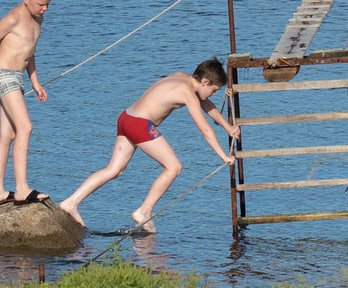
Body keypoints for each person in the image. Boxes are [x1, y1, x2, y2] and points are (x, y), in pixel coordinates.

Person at [58, 59, 238, 236]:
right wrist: (223, 155)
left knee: (114, 169)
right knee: (174, 167)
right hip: (139, 124)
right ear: (205, 82)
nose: (214, 94)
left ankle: (71, 202)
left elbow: (205, 103)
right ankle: (144, 211)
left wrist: (227, 127)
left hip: (126, 118)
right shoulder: (187, 92)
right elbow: (205, 129)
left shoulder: (182, 77)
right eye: (214, 90)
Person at [0, 0, 54, 207]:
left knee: (7, 134)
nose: (45, 9)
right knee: (25, 127)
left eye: (48, 4)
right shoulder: (13, 18)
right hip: (3, 74)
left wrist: (35, 82)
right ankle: (21, 188)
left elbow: (29, 53)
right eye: (41, 4)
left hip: (17, 77)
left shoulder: (38, 21)